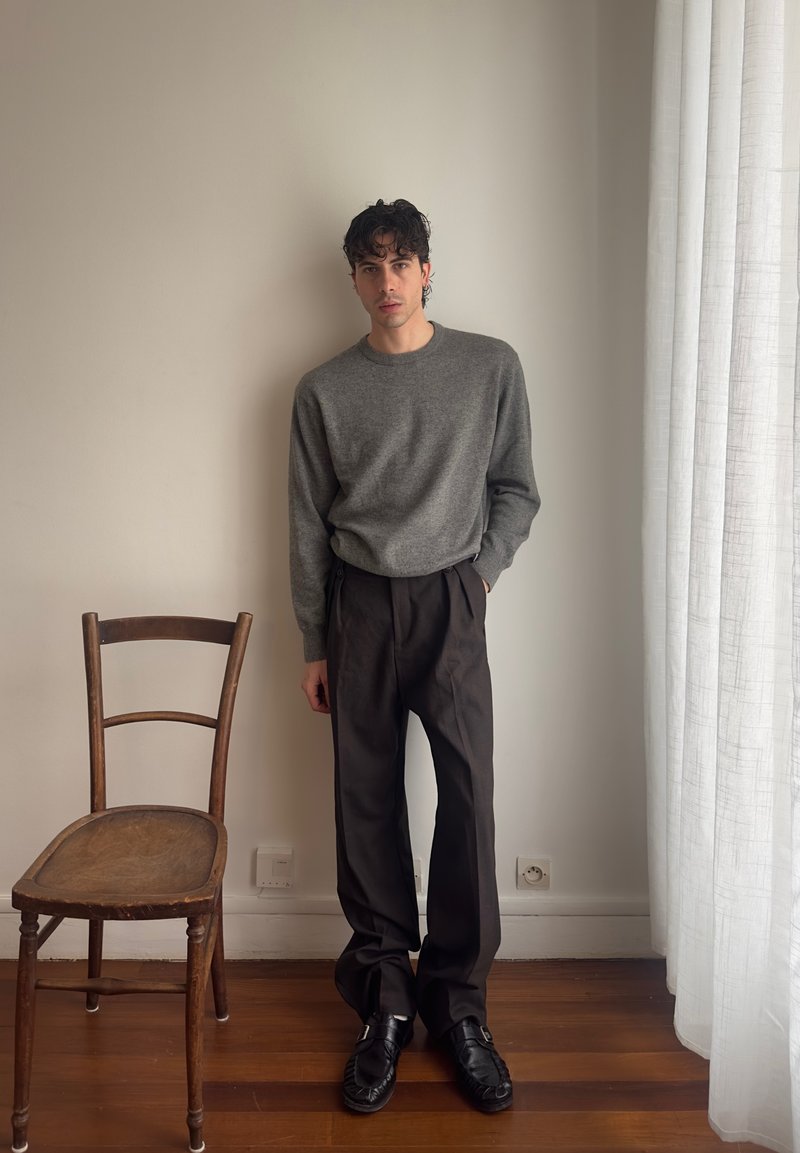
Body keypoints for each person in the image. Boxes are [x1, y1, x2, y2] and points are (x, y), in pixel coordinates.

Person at [288, 198, 540, 1115]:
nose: (386, 281)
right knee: (365, 800)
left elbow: (516, 488)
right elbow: (306, 524)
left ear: (427, 270)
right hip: (357, 604)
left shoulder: (489, 366)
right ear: (353, 279)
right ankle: (386, 1001)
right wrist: (314, 639)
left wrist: (480, 576)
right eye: (369, 265)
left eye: (400, 262)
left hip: (451, 600)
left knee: (468, 798)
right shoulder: (322, 390)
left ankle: (459, 1005)